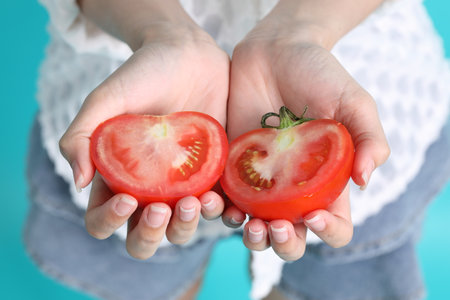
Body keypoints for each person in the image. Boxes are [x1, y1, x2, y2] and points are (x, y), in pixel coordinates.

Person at [25, 0, 450, 299]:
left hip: (374, 71)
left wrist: (299, 33)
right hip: (119, 73)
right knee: (148, 273)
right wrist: (164, 32)